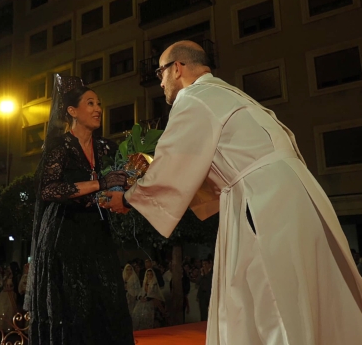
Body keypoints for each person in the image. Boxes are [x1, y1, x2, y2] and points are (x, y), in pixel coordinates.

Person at [106, 40, 362, 344]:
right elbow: (211, 168)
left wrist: (129, 197)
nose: (160, 83)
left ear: (177, 68)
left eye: (161, 73)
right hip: (295, 191)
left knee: (270, 295)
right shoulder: (229, 93)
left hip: (263, 200)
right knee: (309, 286)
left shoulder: (194, 97)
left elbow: (176, 161)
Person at [24, 75, 134, 344]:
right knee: (75, 306)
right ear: (72, 111)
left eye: (99, 103)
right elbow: (47, 190)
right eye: (90, 103)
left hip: (98, 235)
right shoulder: (59, 147)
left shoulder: (106, 147)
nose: (98, 108)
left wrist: (122, 197)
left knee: (107, 301)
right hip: (65, 238)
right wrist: (99, 183)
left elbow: (116, 183)